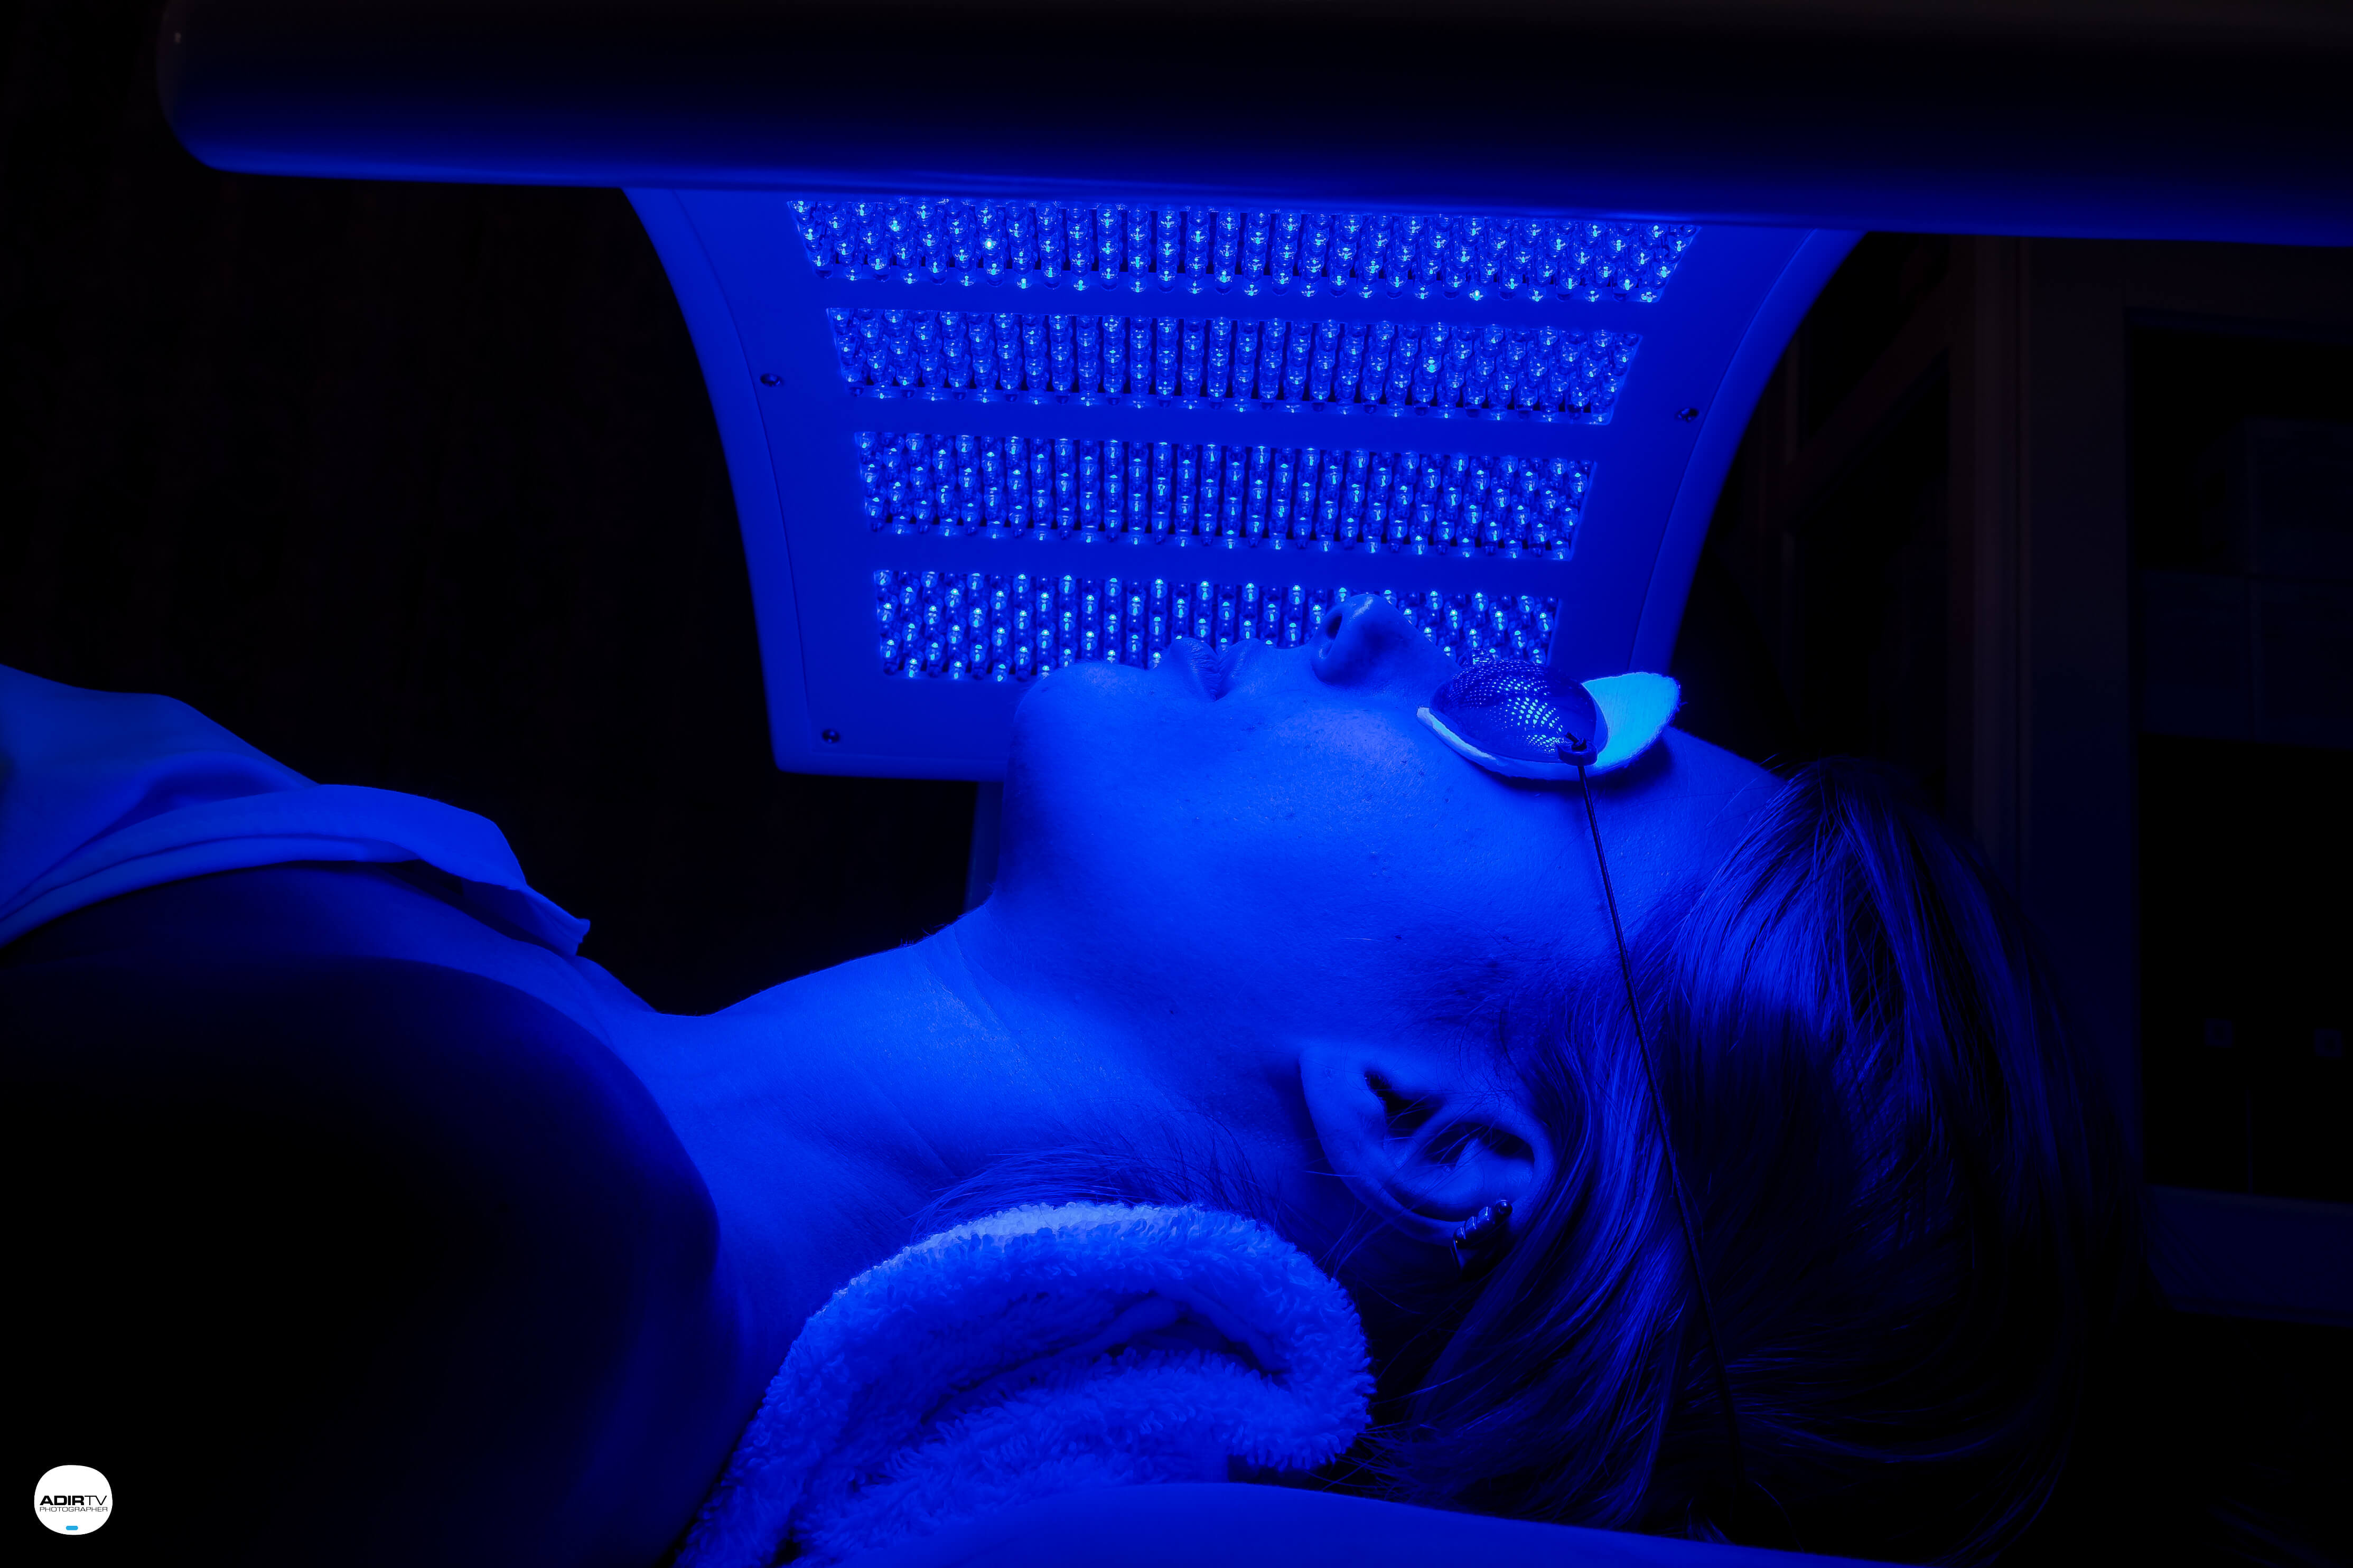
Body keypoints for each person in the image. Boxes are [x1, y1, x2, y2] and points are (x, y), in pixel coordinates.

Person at [2, 595, 2134, 1567]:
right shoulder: (547, 1062)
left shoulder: (505, 1231)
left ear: (1431, 1121)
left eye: (1531, 733)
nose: (1389, 629)